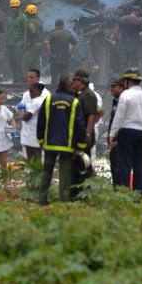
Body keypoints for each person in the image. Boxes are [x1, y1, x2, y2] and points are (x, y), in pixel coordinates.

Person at [36, 75, 87, 204]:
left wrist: (40, 139)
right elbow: (80, 125)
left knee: (47, 171)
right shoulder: (74, 102)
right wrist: (81, 144)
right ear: (67, 86)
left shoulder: (48, 100)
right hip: (67, 145)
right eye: (71, 84)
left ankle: (42, 199)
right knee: (64, 173)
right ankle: (63, 201)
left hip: (49, 143)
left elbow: (40, 122)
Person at [108, 69, 142, 196]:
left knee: (125, 164)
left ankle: (124, 193)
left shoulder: (126, 95)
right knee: (139, 164)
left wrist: (112, 134)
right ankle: (139, 194)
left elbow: (119, 117)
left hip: (127, 132)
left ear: (128, 82)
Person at [70, 69, 102, 198]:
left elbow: (91, 116)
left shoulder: (88, 95)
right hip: (78, 134)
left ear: (81, 81)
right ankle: (77, 191)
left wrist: (88, 134)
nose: (73, 82)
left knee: (85, 163)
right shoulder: (79, 94)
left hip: (84, 135)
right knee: (78, 163)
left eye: (75, 80)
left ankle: (85, 191)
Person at [18, 68, 51, 163]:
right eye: (28, 77)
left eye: (31, 77)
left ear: (38, 78)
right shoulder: (26, 94)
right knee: (27, 164)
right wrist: (21, 109)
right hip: (27, 133)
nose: (29, 79)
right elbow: (21, 111)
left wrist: (27, 107)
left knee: (38, 163)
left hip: (39, 134)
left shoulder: (45, 94)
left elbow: (40, 109)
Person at [44, 18, 78, 86]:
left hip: (55, 59)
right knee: (64, 79)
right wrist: (73, 53)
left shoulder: (52, 34)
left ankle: (54, 93)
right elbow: (76, 44)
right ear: (63, 25)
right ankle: (64, 93)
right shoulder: (68, 34)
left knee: (54, 78)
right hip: (65, 59)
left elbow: (46, 42)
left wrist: (49, 52)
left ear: (56, 25)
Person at [113, 6, 142, 70]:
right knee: (134, 65)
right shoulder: (139, 20)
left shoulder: (122, 19)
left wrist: (117, 41)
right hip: (135, 46)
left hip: (124, 45)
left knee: (124, 65)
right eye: (139, 13)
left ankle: (124, 79)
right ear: (137, 11)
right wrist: (141, 35)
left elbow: (115, 32)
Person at [106, 77, 125, 185]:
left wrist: (118, 139)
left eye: (114, 86)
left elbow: (123, 122)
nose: (111, 89)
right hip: (113, 141)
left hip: (120, 141)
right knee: (114, 166)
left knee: (119, 167)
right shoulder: (115, 101)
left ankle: (120, 190)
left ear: (121, 87)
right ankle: (116, 189)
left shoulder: (124, 101)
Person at [5, 0, 28, 82]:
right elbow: (8, 31)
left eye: (15, 7)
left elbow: (25, 31)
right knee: (12, 63)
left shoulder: (23, 18)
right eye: (12, 7)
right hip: (10, 44)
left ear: (19, 7)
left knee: (19, 63)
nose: (14, 8)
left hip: (18, 45)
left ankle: (20, 80)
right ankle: (15, 79)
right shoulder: (10, 19)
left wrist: (24, 43)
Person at [23, 4, 44, 74]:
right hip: (39, 45)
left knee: (25, 64)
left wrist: (28, 42)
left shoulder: (30, 22)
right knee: (35, 65)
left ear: (29, 13)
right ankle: (35, 81)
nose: (26, 14)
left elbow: (33, 31)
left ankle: (24, 81)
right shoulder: (39, 22)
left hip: (33, 45)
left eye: (27, 13)